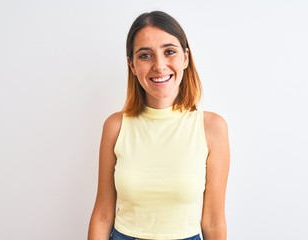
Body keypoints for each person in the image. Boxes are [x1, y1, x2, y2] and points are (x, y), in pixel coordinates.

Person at [88, 11, 230, 240]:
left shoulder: (212, 128)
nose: (159, 65)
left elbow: (213, 221)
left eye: (169, 52)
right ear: (132, 65)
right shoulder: (115, 126)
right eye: (145, 55)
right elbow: (103, 215)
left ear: (185, 58)